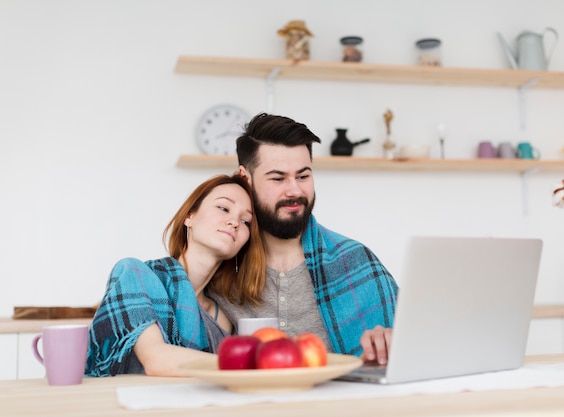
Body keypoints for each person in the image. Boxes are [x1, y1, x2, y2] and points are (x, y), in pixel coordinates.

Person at [209, 113, 398, 365]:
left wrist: (388, 344)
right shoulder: (220, 267)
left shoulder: (356, 262)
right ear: (245, 178)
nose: (295, 190)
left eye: (303, 176)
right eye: (278, 178)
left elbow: (413, 353)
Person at [85, 174, 265, 377]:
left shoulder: (222, 316)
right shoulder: (132, 274)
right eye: (223, 208)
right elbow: (155, 359)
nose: (234, 222)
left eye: (246, 221)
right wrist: (249, 364)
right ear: (190, 217)